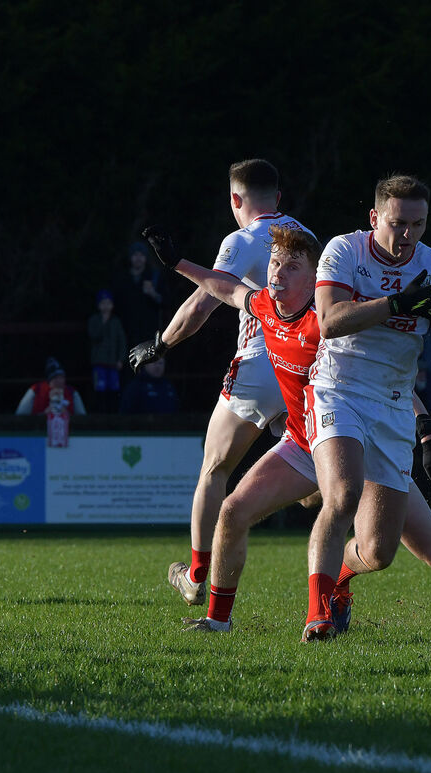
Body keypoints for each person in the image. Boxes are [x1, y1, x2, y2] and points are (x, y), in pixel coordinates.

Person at [145, 224, 431, 635]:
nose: (277, 274)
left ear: (316, 277)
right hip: (305, 442)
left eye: (292, 267)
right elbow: (226, 288)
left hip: (359, 436)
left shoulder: (330, 327)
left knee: (427, 551)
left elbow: (382, 383)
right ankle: (220, 620)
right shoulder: (268, 307)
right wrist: (179, 263)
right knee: (235, 510)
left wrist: (427, 430)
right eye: (274, 264)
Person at [301, 175, 431, 640]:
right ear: (374, 217)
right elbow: (329, 322)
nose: (407, 235)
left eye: (418, 224)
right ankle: (316, 615)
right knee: (342, 494)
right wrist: (397, 302)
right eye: (397, 223)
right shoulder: (344, 251)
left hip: (394, 403)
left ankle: (339, 583)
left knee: (379, 552)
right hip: (337, 389)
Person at [130, 159, 310, 607]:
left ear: (235, 200)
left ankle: (195, 575)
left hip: (262, 367)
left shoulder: (244, 238)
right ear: (279, 197)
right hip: (307, 365)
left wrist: (161, 344)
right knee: (313, 477)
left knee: (214, 469)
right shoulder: (305, 235)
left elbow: (204, 302)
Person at [113, 240, 167, 347]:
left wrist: (153, 294)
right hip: (126, 330)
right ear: (130, 257)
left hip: (149, 330)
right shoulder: (122, 278)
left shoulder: (154, 277)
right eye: (135, 255)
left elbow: (166, 302)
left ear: (146, 257)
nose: (138, 258)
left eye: (141, 255)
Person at [87, 288, 127, 412]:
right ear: (98, 305)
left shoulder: (116, 322)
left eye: (108, 303)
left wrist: (121, 359)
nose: (106, 306)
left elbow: (122, 342)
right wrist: (103, 322)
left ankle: (113, 415)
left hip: (113, 363)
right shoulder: (94, 320)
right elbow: (93, 336)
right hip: (99, 362)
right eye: (103, 303)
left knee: (114, 390)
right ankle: (100, 415)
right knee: (100, 390)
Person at [15, 357, 87, 415]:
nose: (60, 381)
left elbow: (83, 418)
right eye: (56, 378)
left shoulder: (72, 392)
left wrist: (66, 415)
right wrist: (43, 415)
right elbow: (20, 416)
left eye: (62, 377)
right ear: (49, 380)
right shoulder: (36, 390)